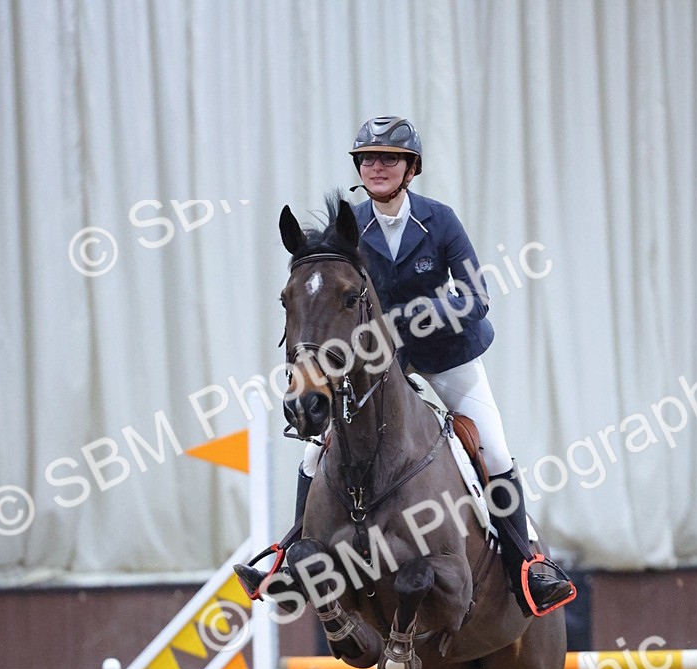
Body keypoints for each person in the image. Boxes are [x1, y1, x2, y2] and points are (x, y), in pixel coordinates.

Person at [238, 115, 574, 617]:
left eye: (388, 159)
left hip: (447, 358)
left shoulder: (439, 221)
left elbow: (475, 297)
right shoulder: (351, 227)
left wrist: (409, 323)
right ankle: (289, 557)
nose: (377, 167)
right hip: (375, 367)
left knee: (495, 449)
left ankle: (527, 563)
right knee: (314, 456)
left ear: (410, 168)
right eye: (368, 159)